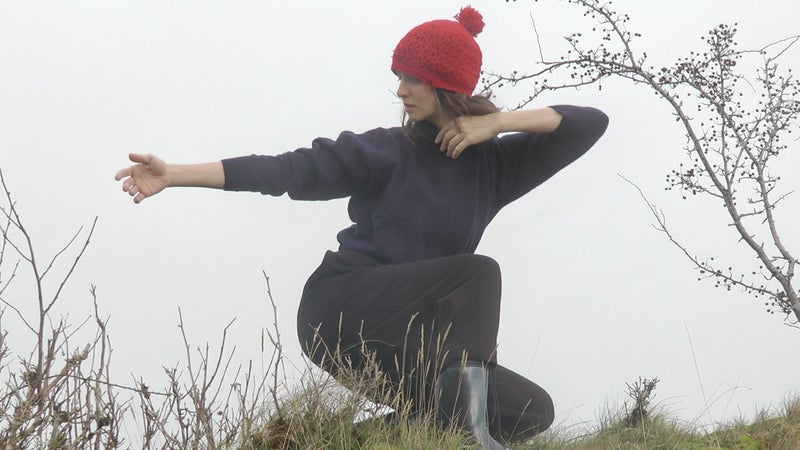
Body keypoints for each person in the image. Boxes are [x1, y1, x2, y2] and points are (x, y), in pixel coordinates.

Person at [115, 6, 608, 449]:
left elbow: (591, 122)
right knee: (478, 274)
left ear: (446, 84)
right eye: (399, 77)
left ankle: (339, 442)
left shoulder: (494, 167)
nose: (400, 90)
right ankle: (467, 438)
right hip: (341, 310)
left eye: (413, 79)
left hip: (413, 338)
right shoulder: (388, 149)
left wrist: (498, 122)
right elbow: (284, 170)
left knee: (529, 410)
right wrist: (174, 174)